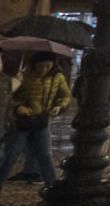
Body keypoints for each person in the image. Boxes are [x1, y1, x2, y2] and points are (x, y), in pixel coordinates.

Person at [1, 54, 73, 186]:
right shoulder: (24, 76)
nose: (44, 69)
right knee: (10, 157)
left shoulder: (57, 77)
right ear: (34, 65)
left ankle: (52, 187)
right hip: (21, 123)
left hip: (42, 122)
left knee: (45, 156)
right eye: (41, 66)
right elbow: (9, 96)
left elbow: (65, 95)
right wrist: (18, 107)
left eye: (48, 66)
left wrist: (59, 106)